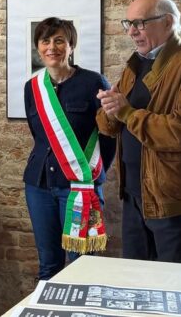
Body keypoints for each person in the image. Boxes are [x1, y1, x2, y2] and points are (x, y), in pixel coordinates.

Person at [97, 0, 181, 263]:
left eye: (140, 23)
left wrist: (127, 113)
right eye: (128, 24)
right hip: (134, 196)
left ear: (167, 22)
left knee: (173, 283)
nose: (132, 31)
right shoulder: (135, 64)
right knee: (136, 279)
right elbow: (110, 127)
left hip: (171, 201)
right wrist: (109, 109)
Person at [23, 17, 116, 280]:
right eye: (45, 41)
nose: (52, 47)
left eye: (59, 40)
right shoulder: (32, 87)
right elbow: (39, 137)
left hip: (79, 187)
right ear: (38, 47)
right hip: (39, 186)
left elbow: (108, 136)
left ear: (71, 46)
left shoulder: (94, 82)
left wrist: (92, 174)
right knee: (48, 265)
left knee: (82, 266)